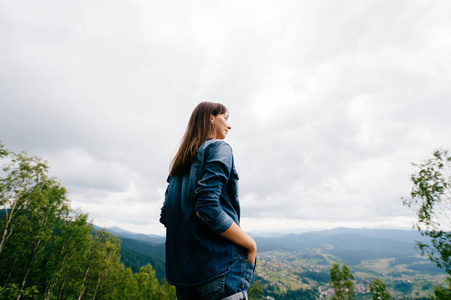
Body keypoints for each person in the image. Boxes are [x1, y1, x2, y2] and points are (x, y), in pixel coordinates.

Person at [160, 102, 257, 300]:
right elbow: (207, 206)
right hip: (221, 268)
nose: (229, 126)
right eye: (226, 118)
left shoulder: (179, 165)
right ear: (211, 118)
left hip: (185, 278)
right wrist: (250, 244)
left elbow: (166, 216)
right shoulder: (219, 148)